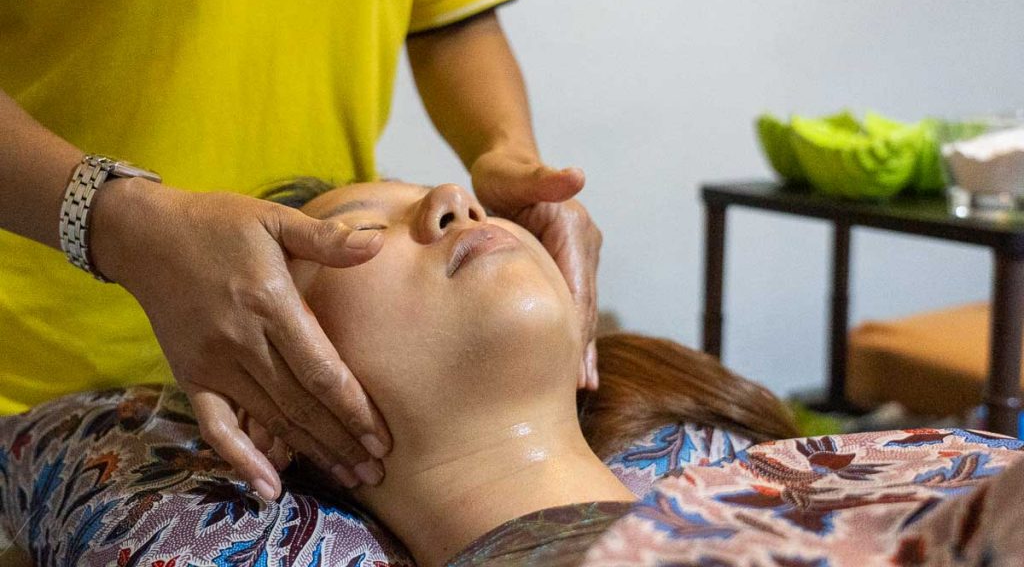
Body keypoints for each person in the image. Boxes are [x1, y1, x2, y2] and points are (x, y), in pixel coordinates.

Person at [0, 179, 798, 566]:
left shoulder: (808, 486)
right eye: (359, 231)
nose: (456, 198)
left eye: (445, 192)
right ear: (267, 405)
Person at [0, 0, 603, 499]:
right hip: (45, 371)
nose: (454, 196)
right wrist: (113, 222)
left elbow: (450, 19)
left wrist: (512, 155)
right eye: (362, 221)